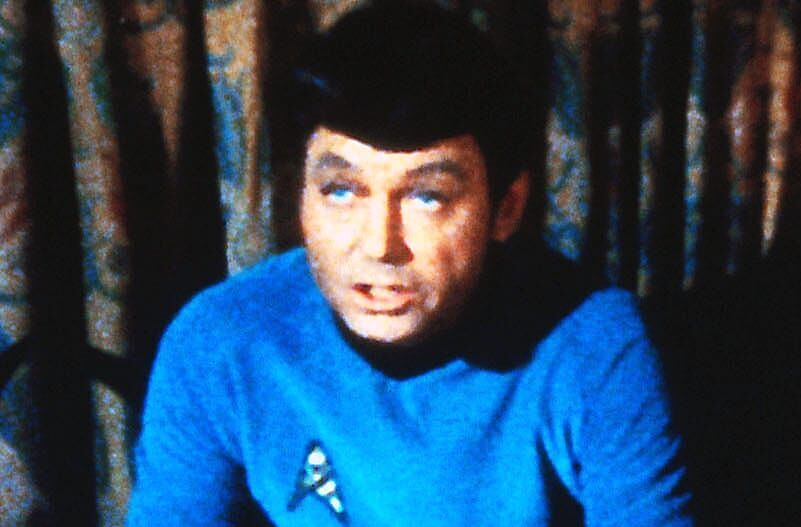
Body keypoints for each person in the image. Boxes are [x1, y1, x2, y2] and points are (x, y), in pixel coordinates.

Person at [127, 3, 691, 526]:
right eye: (341, 191)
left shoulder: (595, 346)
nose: (380, 246)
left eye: (428, 198)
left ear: (506, 208)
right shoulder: (220, 341)